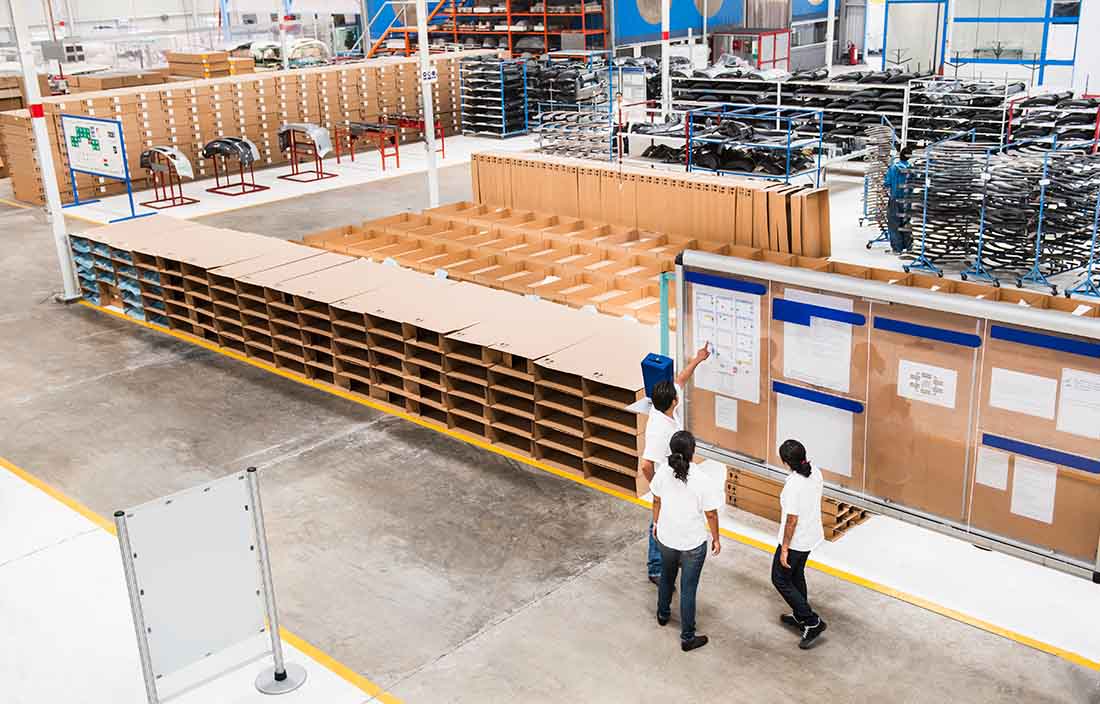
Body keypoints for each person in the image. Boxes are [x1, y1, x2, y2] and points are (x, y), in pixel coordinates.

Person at [640, 346, 710, 584]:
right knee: (657, 521)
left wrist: (698, 359)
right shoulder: (658, 431)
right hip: (665, 480)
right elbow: (645, 464)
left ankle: (670, 555)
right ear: (673, 402)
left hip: (675, 475)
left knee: (671, 517)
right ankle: (656, 568)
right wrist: (656, 486)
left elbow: (680, 378)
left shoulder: (665, 408)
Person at [651, 430, 722, 652]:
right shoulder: (702, 479)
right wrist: (716, 539)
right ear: (693, 451)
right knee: (688, 590)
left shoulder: (663, 471)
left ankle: (663, 614)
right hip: (692, 544)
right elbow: (711, 514)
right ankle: (687, 637)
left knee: (667, 577)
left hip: (666, 537)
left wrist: (655, 524)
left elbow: (656, 499)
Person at [771, 438, 828, 650]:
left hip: (796, 541)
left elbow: (791, 520)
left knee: (779, 578)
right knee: (795, 575)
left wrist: (784, 548)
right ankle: (800, 616)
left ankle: (812, 621)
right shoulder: (816, 472)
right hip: (811, 535)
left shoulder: (794, 485)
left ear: (786, 462)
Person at [884, 145, 913, 254]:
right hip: (907, 200)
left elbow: (887, 183)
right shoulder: (911, 169)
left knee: (894, 223)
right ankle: (908, 247)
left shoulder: (893, 168)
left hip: (895, 199)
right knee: (905, 222)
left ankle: (897, 248)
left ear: (900, 155)